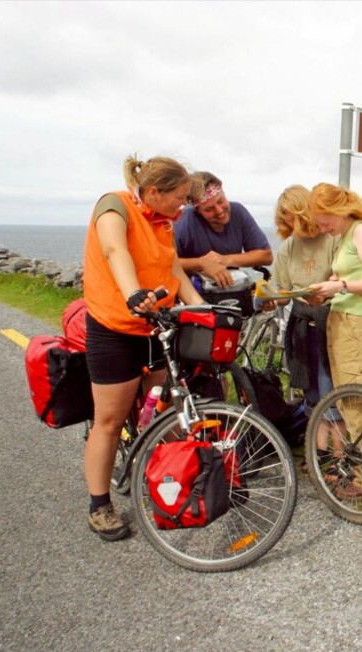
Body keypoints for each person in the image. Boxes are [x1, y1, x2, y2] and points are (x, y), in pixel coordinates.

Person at [82, 155, 204, 541]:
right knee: (110, 420)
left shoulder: (164, 221)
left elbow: (174, 271)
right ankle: (99, 505)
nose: (183, 206)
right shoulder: (113, 206)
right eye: (179, 197)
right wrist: (133, 292)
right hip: (114, 328)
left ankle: (161, 485)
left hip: (155, 328)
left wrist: (202, 309)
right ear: (154, 191)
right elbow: (115, 251)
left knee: (160, 415)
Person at [307, 183, 362, 497]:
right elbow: (352, 280)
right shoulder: (345, 236)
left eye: (323, 220)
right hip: (341, 321)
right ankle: (360, 473)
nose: (322, 227)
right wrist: (328, 288)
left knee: (358, 403)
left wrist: (339, 286)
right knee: (346, 399)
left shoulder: (360, 231)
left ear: (337, 210)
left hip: (356, 324)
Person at [272, 185, 343, 459]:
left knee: (330, 391)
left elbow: (342, 279)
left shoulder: (332, 238)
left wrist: (324, 290)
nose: (290, 225)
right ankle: (318, 454)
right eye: (286, 220)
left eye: (293, 218)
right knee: (311, 392)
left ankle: (339, 456)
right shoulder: (288, 246)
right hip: (301, 324)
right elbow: (283, 291)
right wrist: (269, 299)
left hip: (330, 322)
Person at [173, 171, 273, 288]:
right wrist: (202, 264)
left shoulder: (238, 212)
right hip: (191, 291)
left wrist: (225, 260)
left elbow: (266, 256)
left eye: (220, 201)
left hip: (229, 289)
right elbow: (166, 263)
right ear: (197, 210)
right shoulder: (184, 220)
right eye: (209, 209)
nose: (219, 211)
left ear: (224, 192)